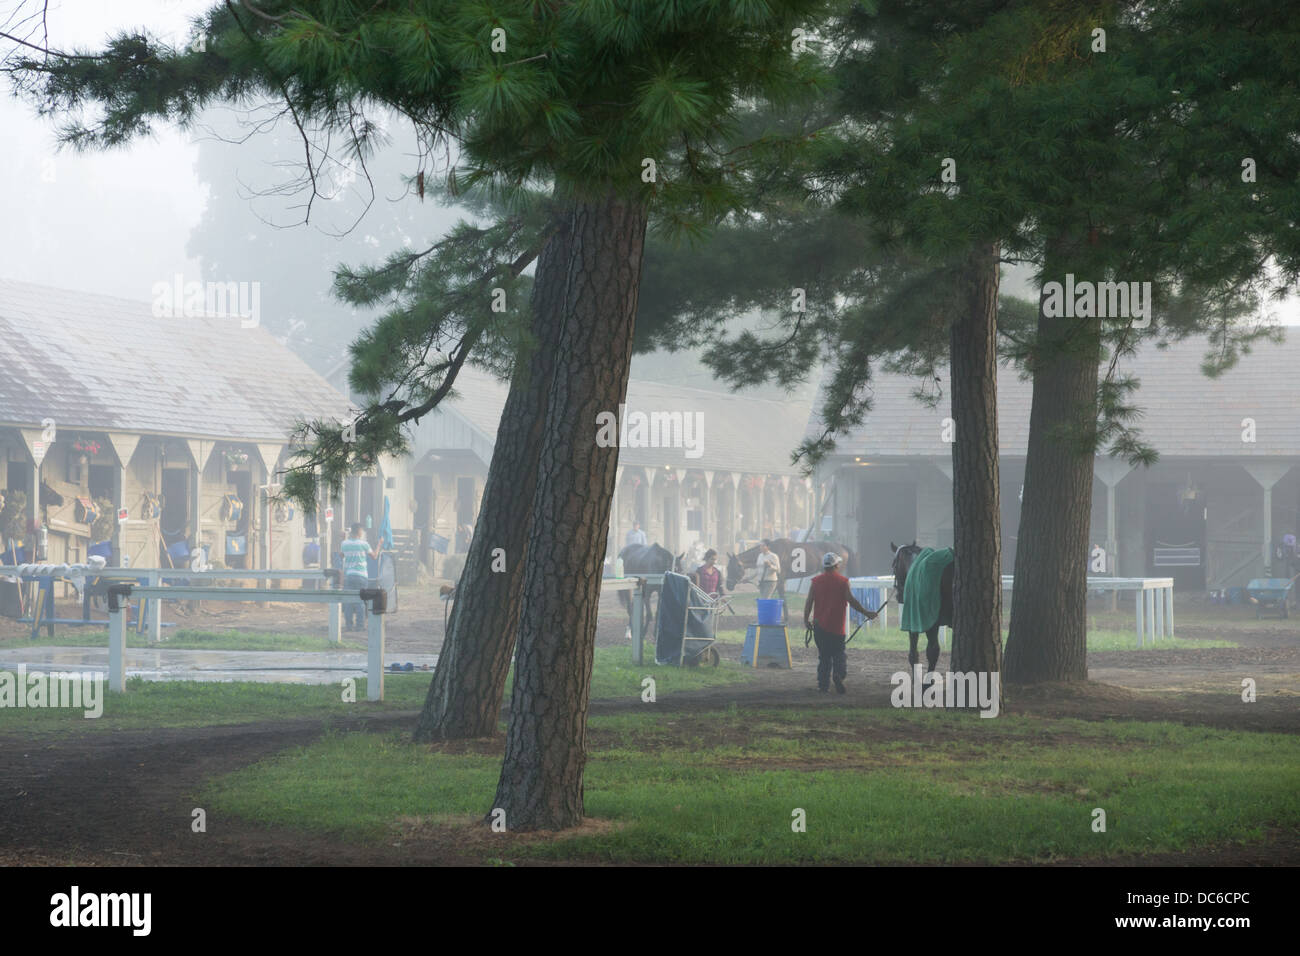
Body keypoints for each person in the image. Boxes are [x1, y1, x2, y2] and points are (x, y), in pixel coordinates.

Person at [804, 551, 876, 694]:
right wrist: (866, 613)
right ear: (836, 565)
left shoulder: (815, 581)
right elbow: (852, 601)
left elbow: (809, 602)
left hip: (819, 627)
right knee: (839, 654)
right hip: (836, 627)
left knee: (824, 657)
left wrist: (806, 619)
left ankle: (823, 685)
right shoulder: (843, 582)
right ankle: (838, 675)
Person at [341, 522, 379, 632]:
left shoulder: (344, 544)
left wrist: (344, 539)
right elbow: (374, 556)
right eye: (362, 530)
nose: (362, 532)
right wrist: (379, 545)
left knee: (348, 601)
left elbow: (342, 555)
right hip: (361, 576)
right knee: (360, 601)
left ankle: (348, 625)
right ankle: (360, 625)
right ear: (358, 531)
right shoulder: (364, 544)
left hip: (349, 575)